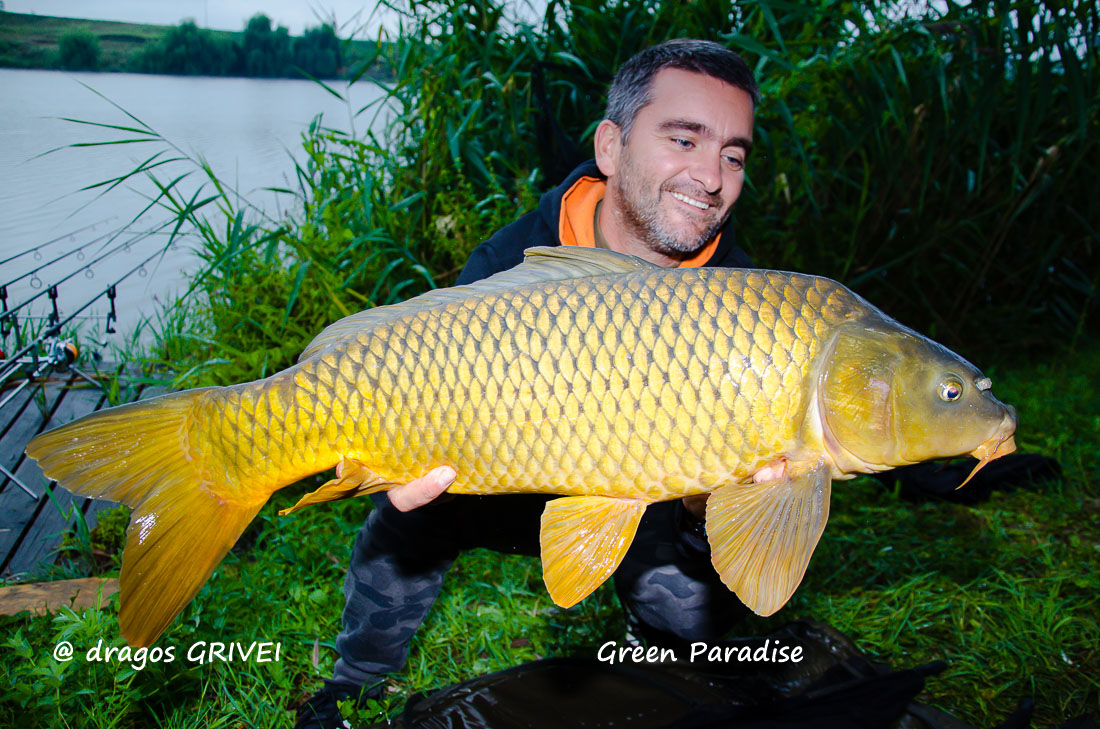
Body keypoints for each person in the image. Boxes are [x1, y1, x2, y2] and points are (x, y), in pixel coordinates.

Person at [297, 38, 761, 729]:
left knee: (695, 614)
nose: (711, 176)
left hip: (642, 495)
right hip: (499, 477)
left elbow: (730, 516)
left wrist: (707, 506)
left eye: (733, 155)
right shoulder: (511, 260)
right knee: (402, 521)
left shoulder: (744, 300)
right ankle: (354, 686)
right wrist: (399, 451)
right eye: (684, 139)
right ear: (611, 147)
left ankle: (654, 664)